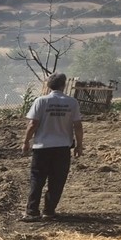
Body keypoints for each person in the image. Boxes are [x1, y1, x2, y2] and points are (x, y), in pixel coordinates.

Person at [21, 72, 83, 222]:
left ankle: (32, 212)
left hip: (42, 147)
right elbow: (78, 125)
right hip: (62, 148)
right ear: (63, 85)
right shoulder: (72, 102)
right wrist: (79, 145)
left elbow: (33, 124)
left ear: (49, 85)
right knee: (57, 180)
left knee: (37, 179)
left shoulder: (41, 101)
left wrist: (26, 141)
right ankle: (49, 211)